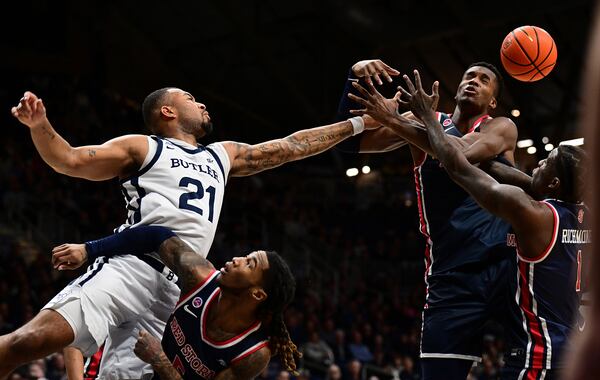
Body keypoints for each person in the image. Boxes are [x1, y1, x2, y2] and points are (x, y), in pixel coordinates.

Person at [0, 88, 376, 378]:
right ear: (169, 111)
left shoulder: (221, 156)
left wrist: (358, 124)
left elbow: (291, 146)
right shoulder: (144, 146)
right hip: (132, 264)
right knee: (32, 341)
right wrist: (39, 126)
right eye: (192, 99)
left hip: (179, 291)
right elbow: (70, 160)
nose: (203, 105)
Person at [397, 70, 589, 379]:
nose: (538, 162)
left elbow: (458, 166)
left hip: (540, 359)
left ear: (554, 183)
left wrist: (423, 119)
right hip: (576, 350)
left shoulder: (535, 215)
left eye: (546, 161)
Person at [341, 60, 517, 379]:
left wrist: (394, 120)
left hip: (507, 267)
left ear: (493, 100)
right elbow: (351, 142)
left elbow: (460, 154)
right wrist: (353, 76)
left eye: (484, 79)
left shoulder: (500, 126)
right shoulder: (426, 121)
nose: (473, 81)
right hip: (451, 272)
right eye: (468, 76)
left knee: (543, 362)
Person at [51, 224, 300, 379]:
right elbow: (156, 235)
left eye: (249, 263)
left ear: (257, 294)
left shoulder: (253, 353)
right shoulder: (199, 277)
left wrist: (160, 360)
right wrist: (89, 249)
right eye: (245, 256)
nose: (237, 259)